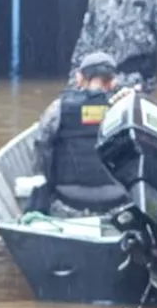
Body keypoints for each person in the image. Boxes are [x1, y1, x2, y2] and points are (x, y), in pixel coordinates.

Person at [28, 51, 127, 217]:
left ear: (79, 78)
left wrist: (48, 180)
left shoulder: (59, 107)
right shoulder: (124, 109)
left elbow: (42, 146)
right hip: (117, 199)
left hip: (68, 199)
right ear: (113, 82)